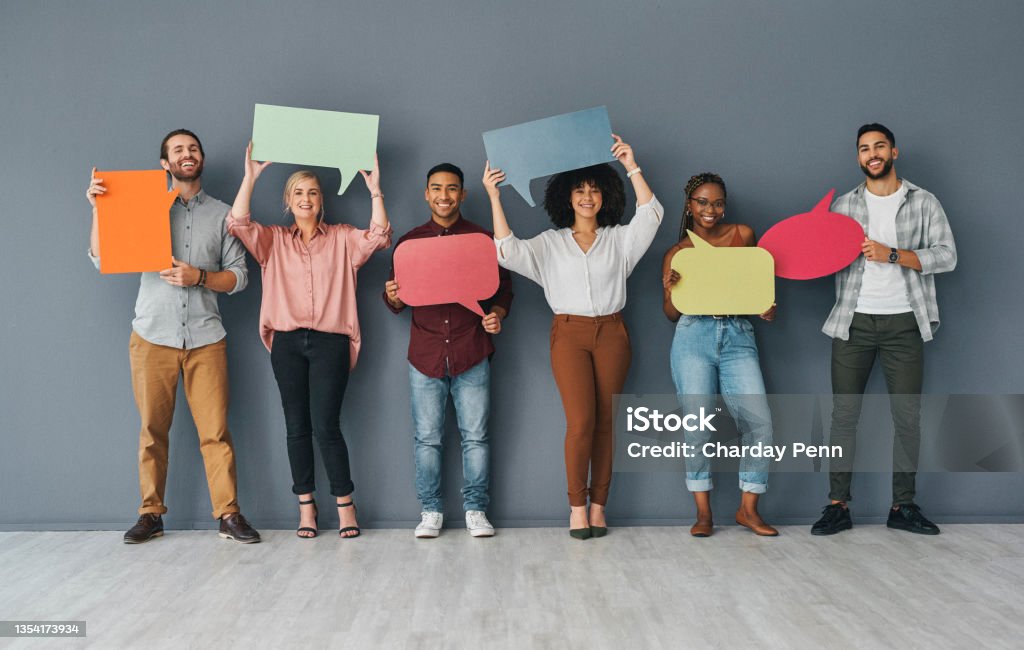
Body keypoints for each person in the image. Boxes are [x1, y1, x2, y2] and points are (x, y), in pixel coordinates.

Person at [87, 129, 260, 544]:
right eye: (178, 150)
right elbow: (101, 257)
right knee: (152, 430)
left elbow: (239, 277)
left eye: (193, 148)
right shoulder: (142, 207)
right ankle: (151, 514)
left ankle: (228, 515)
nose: (187, 154)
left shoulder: (223, 214)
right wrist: (99, 208)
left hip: (205, 338)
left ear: (200, 159)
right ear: (165, 163)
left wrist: (198, 276)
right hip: (152, 336)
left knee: (215, 432)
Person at [484, 135, 662, 539]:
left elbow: (651, 215)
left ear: (606, 195)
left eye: (594, 189)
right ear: (566, 197)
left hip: (613, 333)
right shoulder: (550, 245)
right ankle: (577, 507)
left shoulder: (620, 241)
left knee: (606, 424)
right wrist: (494, 196)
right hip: (569, 334)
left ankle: (600, 507)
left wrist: (631, 165)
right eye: (579, 190)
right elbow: (507, 253)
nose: (587, 197)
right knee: (580, 422)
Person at [226, 142, 392, 539]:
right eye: (298, 192)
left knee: (326, 425)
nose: (306, 198)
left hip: (330, 342)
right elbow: (238, 222)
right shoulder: (272, 241)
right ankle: (306, 506)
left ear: (321, 201)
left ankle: (345, 504)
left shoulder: (342, 238)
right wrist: (249, 177)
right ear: (288, 201)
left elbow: (380, 235)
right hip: (286, 342)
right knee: (295, 425)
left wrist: (375, 190)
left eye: (312, 192)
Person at [812, 123, 957, 536]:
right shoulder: (842, 206)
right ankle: (837, 506)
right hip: (852, 322)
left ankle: (903, 506)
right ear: (858, 157)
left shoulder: (924, 202)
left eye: (879, 147)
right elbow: (819, 257)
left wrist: (892, 254)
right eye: (864, 149)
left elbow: (947, 256)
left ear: (894, 152)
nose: (872, 154)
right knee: (843, 416)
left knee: (907, 417)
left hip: (905, 323)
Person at [383, 163, 514, 539]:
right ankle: (430, 510)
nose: (444, 195)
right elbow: (398, 299)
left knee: (476, 437)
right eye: (437, 188)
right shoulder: (409, 243)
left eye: (452, 188)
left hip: (472, 350)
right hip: (424, 355)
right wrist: (390, 296)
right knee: (427, 438)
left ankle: (476, 509)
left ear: (463, 194)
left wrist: (497, 315)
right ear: (427, 194)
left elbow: (503, 290)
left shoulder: (483, 239)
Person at [661, 173, 778, 537]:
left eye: (717, 202)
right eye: (702, 202)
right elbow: (670, 314)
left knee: (759, 422)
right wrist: (670, 291)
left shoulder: (744, 235)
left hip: (739, 334)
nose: (710, 209)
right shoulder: (678, 253)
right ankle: (703, 514)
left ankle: (748, 509)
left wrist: (766, 307)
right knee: (697, 427)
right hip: (693, 335)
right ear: (689, 205)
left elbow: (757, 287)